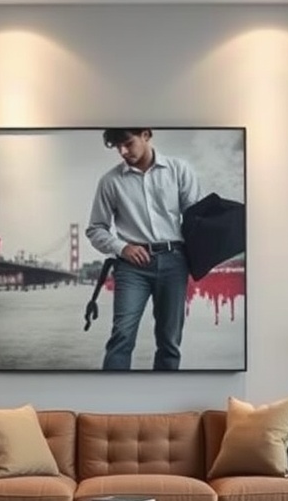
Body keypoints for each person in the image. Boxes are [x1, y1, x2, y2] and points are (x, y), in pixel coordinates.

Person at [85, 129, 201, 370]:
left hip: (174, 262)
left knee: (169, 342)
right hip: (131, 268)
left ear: (146, 135)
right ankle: (111, 404)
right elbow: (96, 228)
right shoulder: (110, 182)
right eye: (118, 147)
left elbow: (196, 220)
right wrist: (122, 247)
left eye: (128, 143)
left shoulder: (179, 170)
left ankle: (164, 404)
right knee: (121, 338)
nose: (123, 152)